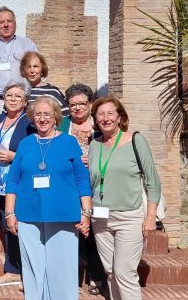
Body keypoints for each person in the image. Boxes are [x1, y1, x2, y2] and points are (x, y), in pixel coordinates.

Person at [4, 96, 92, 300]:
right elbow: (13, 181)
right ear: (32, 119)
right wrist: (10, 213)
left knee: (62, 268)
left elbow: (81, 179)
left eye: (47, 114)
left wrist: (86, 212)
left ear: (56, 118)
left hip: (63, 215)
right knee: (33, 269)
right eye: (38, 115)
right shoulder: (25, 144)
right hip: (27, 215)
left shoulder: (69, 142)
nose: (42, 119)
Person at [88, 96, 162, 300]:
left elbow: (152, 181)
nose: (105, 118)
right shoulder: (94, 145)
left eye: (110, 113)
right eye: (100, 114)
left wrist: (150, 217)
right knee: (111, 271)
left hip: (130, 216)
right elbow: (92, 181)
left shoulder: (136, 140)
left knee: (125, 273)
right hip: (100, 218)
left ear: (120, 117)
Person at [0, 80, 36, 287]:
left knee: (20, 227)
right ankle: (14, 270)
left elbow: (36, 151)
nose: (13, 99)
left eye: (18, 96)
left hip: (19, 184)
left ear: (25, 102)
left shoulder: (29, 122)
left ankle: (24, 272)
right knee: (9, 226)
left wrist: (15, 156)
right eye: (9, 96)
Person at [61, 83, 105, 296]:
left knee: (92, 232)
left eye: (82, 104)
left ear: (90, 104)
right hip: (67, 185)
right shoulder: (62, 125)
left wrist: (94, 159)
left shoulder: (100, 126)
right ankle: (70, 277)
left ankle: (96, 276)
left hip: (95, 185)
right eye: (72, 105)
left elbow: (112, 149)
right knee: (70, 229)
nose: (77, 108)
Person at [0, 7, 38, 113]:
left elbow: (38, 71)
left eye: (9, 21)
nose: (6, 25)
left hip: (22, 102)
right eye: (1, 22)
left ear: (15, 24)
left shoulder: (28, 44)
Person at [20, 51, 69, 116]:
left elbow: (66, 116)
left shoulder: (52, 92)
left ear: (42, 69)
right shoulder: (19, 91)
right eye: (28, 67)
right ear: (24, 70)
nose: (32, 71)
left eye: (35, 66)